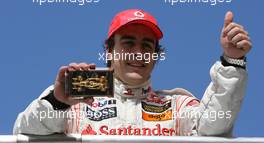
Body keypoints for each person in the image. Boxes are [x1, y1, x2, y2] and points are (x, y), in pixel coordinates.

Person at [13, 9, 252, 136]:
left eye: (147, 46)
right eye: (128, 43)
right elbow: (23, 132)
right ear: (109, 51)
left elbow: (214, 127)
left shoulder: (177, 105)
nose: (138, 53)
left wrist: (232, 61)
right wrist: (57, 102)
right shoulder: (74, 97)